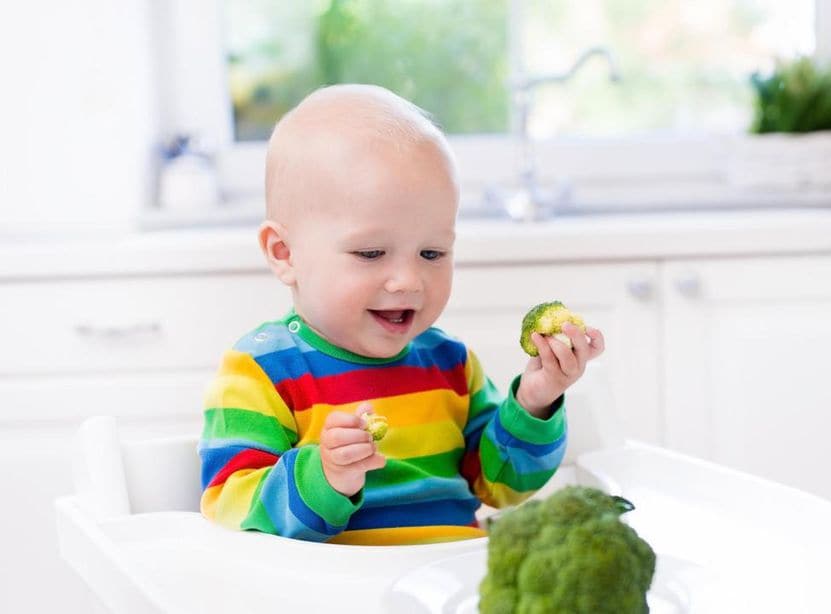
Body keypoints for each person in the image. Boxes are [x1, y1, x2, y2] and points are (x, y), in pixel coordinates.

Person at [198, 84, 605, 545]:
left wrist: (535, 401)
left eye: (432, 252)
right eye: (371, 252)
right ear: (284, 252)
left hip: (453, 582)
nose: (409, 280)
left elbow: (502, 486)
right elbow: (229, 507)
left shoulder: (449, 363)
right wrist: (323, 475)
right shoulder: (260, 371)